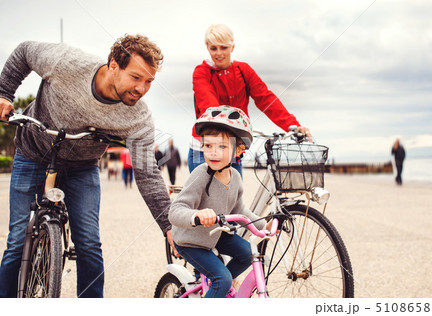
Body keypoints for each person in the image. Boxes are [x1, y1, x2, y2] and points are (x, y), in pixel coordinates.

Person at [0, 34, 175, 298]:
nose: (141, 88)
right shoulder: (67, 63)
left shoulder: (138, 117)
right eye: (136, 77)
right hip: (33, 153)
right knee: (15, 242)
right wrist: (4, 93)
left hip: (82, 167)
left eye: (149, 81)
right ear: (114, 65)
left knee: (89, 244)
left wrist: (169, 225)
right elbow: (24, 51)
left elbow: (147, 172)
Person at [169, 106, 269, 298]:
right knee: (221, 279)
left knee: (250, 254)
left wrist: (264, 224)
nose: (213, 152)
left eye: (221, 146)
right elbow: (176, 210)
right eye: (208, 146)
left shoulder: (235, 178)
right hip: (190, 240)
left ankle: (219, 289)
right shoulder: (200, 175)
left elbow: (240, 210)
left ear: (239, 150)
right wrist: (196, 215)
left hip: (215, 233)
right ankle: (220, 284)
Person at [189, 23, 313, 174]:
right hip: (204, 150)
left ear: (232, 47)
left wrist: (292, 125)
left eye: (224, 47)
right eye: (213, 48)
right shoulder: (201, 72)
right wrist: (231, 129)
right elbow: (209, 105)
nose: (219, 53)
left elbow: (266, 99)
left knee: (235, 196)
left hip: (234, 148)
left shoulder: (243, 70)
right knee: (206, 196)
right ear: (207, 47)